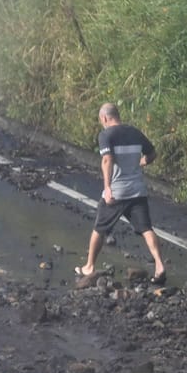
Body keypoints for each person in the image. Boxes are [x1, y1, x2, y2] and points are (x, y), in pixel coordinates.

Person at [76, 102, 168, 286]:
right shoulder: (135, 132)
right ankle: (159, 265)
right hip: (137, 191)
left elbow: (107, 159)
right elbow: (152, 154)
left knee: (99, 229)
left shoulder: (106, 135)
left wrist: (107, 187)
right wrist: (140, 163)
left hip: (117, 193)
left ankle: (89, 266)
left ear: (104, 118)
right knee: (146, 229)